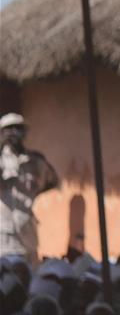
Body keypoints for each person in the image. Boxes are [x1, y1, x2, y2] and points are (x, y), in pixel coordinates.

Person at [0, 113, 59, 267]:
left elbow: (52, 180)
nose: (14, 132)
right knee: (7, 276)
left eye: (18, 128)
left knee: (29, 272)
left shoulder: (35, 160)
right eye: (9, 129)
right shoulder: (2, 160)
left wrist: (33, 195)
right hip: (4, 229)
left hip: (26, 226)